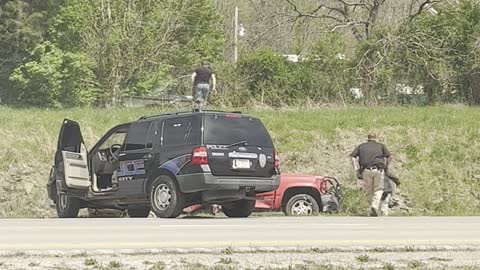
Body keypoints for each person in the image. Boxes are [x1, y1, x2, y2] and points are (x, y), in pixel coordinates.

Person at [350, 133, 392, 216]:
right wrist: (386, 167)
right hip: (378, 170)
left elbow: (352, 156)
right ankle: (374, 206)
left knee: (368, 190)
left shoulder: (361, 146)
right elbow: (389, 156)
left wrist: (356, 168)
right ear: (375, 138)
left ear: (368, 138)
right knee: (379, 189)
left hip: (366, 170)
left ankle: (372, 208)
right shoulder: (381, 146)